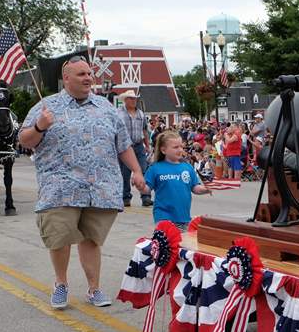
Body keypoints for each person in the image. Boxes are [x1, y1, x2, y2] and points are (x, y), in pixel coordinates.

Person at [18, 56, 150, 310]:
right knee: (60, 238)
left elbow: (122, 144)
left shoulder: (105, 107)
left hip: (98, 188)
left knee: (91, 239)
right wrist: (39, 126)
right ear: (66, 78)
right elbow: (25, 140)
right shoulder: (46, 107)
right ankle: (61, 284)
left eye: (89, 74)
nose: (88, 78)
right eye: (81, 74)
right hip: (60, 188)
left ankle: (94, 289)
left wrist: (137, 171)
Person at [145, 130, 211, 229]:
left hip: (184, 218)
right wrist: (140, 185)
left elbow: (195, 187)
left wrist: (206, 189)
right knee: (168, 242)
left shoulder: (187, 167)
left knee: (181, 244)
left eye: (181, 146)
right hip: (163, 217)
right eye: (175, 147)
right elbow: (146, 189)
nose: (180, 150)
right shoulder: (155, 168)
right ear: (163, 150)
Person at [116, 89, 153, 208]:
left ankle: (146, 197)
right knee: (125, 173)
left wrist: (147, 145)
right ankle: (125, 197)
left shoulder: (141, 114)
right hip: (125, 147)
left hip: (138, 145)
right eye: (131, 98)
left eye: (135, 98)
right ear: (125, 100)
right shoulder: (118, 113)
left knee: (143, 170)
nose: (134, 101)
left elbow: (144, 130)